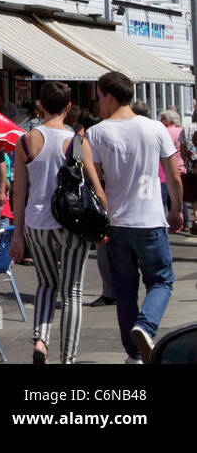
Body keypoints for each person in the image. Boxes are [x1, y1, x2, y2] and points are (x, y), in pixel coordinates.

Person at [87, 71, 184, 363]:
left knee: (125, 289)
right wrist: (177, 208)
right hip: (151, 221)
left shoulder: (97, 133)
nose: (98, 103)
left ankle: (133, 355)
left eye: (100, 97)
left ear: (109, 96)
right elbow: (173, 175)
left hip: (116, 222)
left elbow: (96, 181)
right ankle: (145, 326)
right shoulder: (155, 128)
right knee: (161, 281)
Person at [10, 80, 107, 365]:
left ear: (40, 105)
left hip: (36, 223)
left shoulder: (25, 140)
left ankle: (41, 339)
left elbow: (19, 191)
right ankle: (69, 357)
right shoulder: (76, 142)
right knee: (72, 291)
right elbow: (95, 185)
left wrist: (18, 235)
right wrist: (104, 221)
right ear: (68, 107)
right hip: (72, 223)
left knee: (46, 284)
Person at [158, 109, 187, 224]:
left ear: (168, 121)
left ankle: (167, 220)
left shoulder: (165, 131)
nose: (161, 121)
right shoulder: (181, 130)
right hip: (181, 165)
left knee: (166, 195)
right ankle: (183, 221)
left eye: (163, 119)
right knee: (179, 194)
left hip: (169, 167)